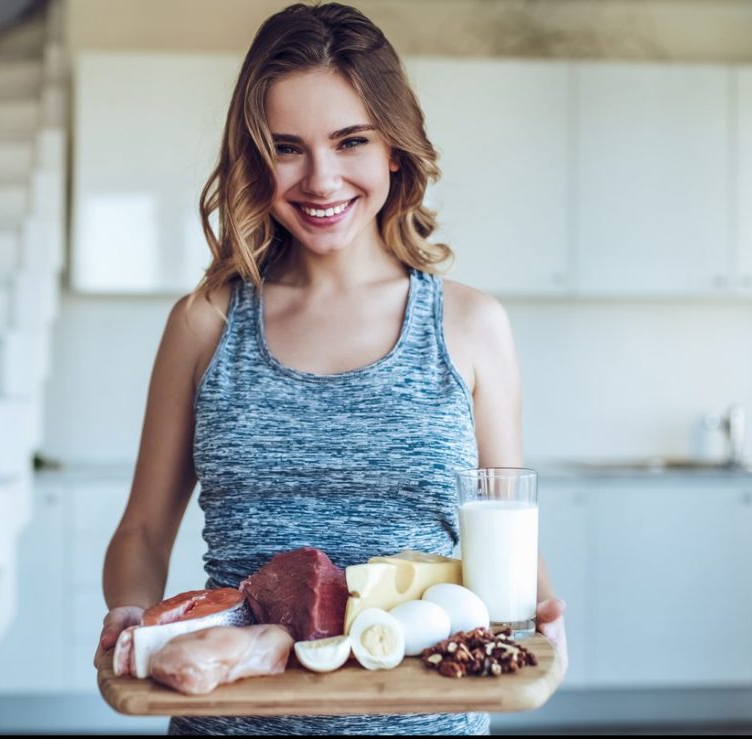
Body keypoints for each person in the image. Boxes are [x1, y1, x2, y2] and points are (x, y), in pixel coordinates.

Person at [93, 2, 568, 734]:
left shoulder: (471, 325)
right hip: (230, 721)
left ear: (395, 151)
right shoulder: (206, 323)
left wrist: (543, 625)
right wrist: (131, 611)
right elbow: (145, 528)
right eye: (287, 147)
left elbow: (506, 525)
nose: (321, 179)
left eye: (350, 141)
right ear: (255, 158)